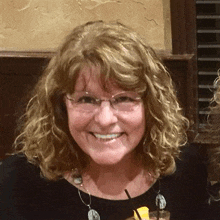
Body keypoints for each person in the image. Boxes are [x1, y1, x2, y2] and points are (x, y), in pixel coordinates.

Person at [0, 20, 208, 220]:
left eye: (124, 98)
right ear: (61, 106)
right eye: (87, 99)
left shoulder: (188, 172)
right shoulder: (16, 185)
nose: (105, 119)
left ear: (150, 105)